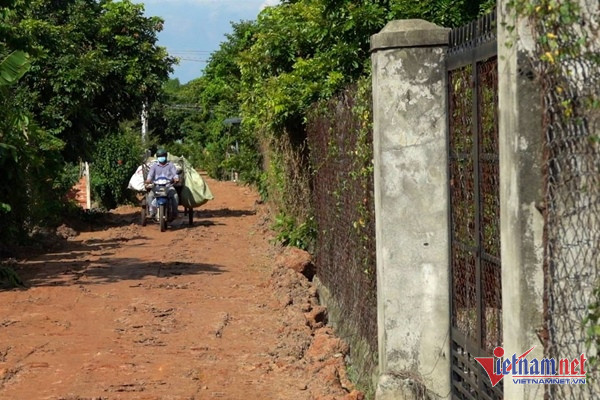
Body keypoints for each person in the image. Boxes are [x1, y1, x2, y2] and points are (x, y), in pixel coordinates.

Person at [145, 148, 179, 220]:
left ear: (166, 156)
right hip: (156, 186)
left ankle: (175, 213)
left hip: (168, 186)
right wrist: (148, 180)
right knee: (150, 196)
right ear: (157, 157)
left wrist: (176, 178)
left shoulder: (170, 165)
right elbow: (150, 175)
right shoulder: (154, 166)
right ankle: (152, 212)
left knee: (175, 196)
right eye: (159, 156)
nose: (161, 158)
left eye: (162, 156)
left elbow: (174, 174)